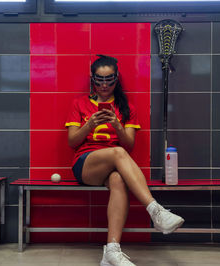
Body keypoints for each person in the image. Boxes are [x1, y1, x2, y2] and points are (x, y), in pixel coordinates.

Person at [65, 55, 184, 266]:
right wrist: (89, 124)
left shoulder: (127, 108)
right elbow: (72, 141)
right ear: (92, 79)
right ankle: (156, 212)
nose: (103, 85)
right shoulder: (80, 103)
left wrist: (118, 125)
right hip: (85, 165)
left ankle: (111, 251)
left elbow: (130, 145)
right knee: (117, 152)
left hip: (112, 166)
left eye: (108, 80)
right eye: (99, 79)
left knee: (119, 179)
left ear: (116, 79)